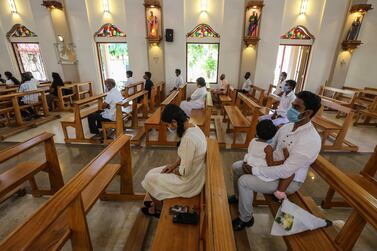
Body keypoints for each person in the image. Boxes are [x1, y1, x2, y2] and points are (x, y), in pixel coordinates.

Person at [229, 91, 322, 231]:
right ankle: (238, 198)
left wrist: (255, 169)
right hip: (271, 166)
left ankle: (246, 218)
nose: (291, 109)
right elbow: (269, 146)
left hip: (288, 180)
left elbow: (286, 170)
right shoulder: (287, 126)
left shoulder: (310, 140)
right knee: (237, 166)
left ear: (308, 113)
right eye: (292, 105)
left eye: (296, 107)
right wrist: (252, 162)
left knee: (244, 181)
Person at [141, 104, 207, 217]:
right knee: (152, 173)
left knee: (149, 178)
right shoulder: (193, 127)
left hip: (189, 182)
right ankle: (159, 200)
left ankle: (159, 209)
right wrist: (173, 165)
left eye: (168, 125)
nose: (168, 128)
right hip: (195, 173)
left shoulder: (188, 139)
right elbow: (186, 156)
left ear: (174, 122)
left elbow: (184, 172)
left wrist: (175, 170)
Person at [244, 119, 293, 202]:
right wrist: (283, 161)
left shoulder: (253, 140)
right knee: (289, 174)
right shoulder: (268, 147)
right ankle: (279, 193)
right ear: (272, 136)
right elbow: (270, 164)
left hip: (250, 164)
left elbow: (249, 153)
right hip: (262, 173)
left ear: (257, 130)